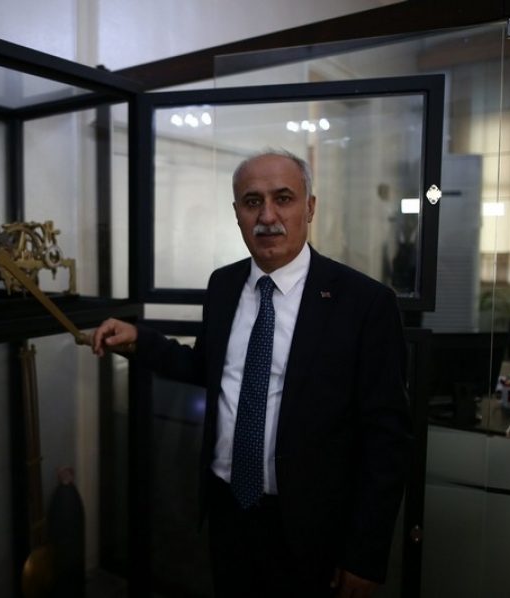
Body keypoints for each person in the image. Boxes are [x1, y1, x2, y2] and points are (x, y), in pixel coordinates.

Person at [92, 150, 412, 597]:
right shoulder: (223, 285)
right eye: (252, 201)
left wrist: (364, 554)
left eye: (283, 198)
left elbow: (387, 440)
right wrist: (139, 342)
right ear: (236, 213)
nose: (267, 216)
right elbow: (208, 368)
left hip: (312, 529)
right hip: (229, 512)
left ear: (310, 207)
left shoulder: (364, 303)